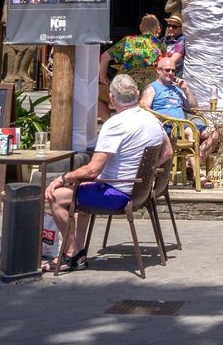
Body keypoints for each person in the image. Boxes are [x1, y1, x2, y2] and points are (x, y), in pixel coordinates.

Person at [44, 75, 172, 273]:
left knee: (57, 196)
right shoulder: (152, 119)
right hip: (140, 192)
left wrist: (62, 178)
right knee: (82, 190)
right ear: (137, 94)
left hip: (118, 193)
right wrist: (144, 171)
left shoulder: (114, 125)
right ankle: (78, 253)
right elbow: (168, 152)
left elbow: (93, 169)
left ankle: (69, 254)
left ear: (111, 98)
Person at [140, 54, 217, 162]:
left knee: (214, 134)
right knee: (193, 132)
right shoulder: (152, 88)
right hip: (168, 125)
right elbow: (144, 108)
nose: (171, 73)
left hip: (184, 124)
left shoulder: (177, 88)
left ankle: (195, 163)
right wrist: (162, 117)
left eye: (173, 70)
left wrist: (185, 89)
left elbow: (193, 107)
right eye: (167, 70)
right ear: (158, 70)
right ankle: (196, 170)